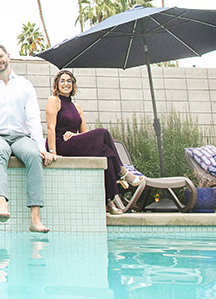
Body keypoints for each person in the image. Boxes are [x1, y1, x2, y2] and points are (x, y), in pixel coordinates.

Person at [0, 43, 55, 233]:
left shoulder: (25, 85)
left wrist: (41, 146)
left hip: (20, 137)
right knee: (0, 152)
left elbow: (33, 117)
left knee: (33, 155)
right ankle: (2, 204)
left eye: (0, 56)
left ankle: (35, 219)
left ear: (8, 56)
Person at [45, 69, 144, 215]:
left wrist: (74, 134)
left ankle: (108, 201)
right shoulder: (54, 100)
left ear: (73, 85)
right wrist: (53, 152)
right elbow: (50, 127)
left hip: (72, 142)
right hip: (60, 144)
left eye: (69, 81)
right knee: (103, 133)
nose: (66, 84)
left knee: (105, 152)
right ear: (57, 84)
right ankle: (122, 173)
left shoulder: (77, 107)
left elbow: (85, 135)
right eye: (62, 81)